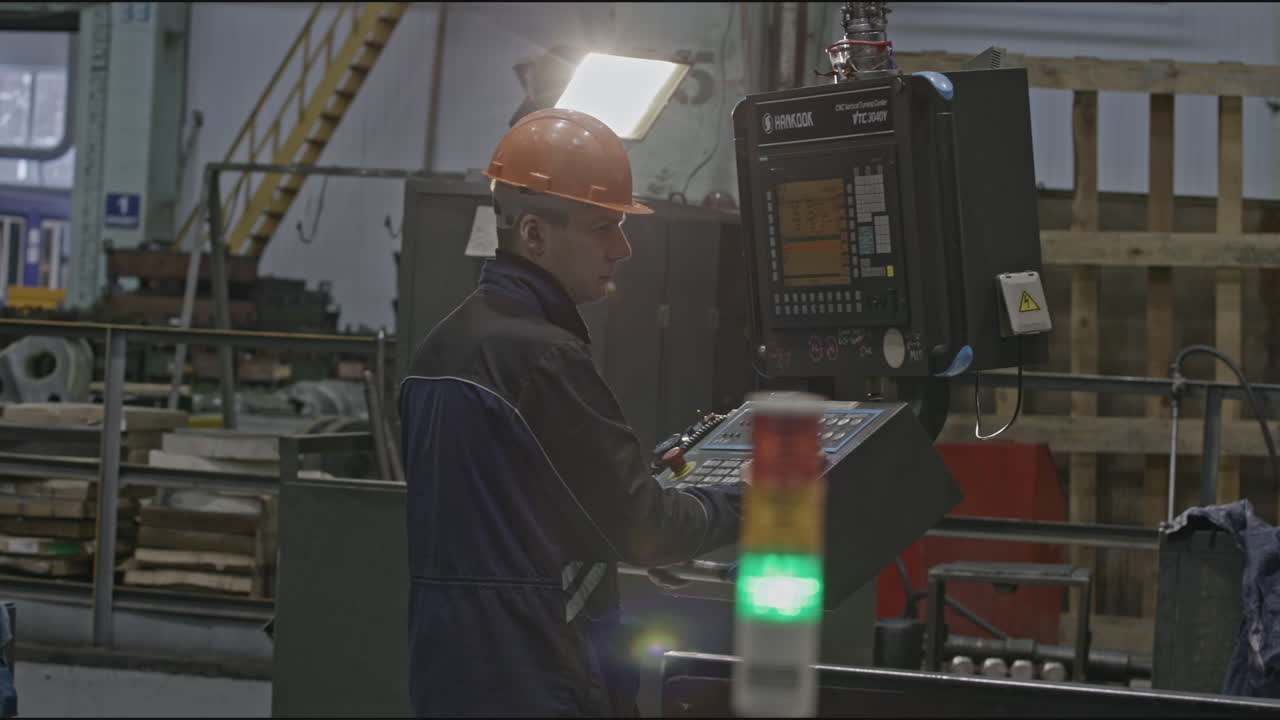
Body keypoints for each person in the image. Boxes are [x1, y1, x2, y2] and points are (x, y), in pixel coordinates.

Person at [398, 108, 745, 717]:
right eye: (603, 227)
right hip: (539, 676)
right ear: (534, 235)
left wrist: (643, 536)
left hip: (451, 674)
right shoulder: (545, 358)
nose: (623, 248)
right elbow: (646, 526)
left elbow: (521, 520)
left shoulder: (441, 348)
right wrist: (753, 500)